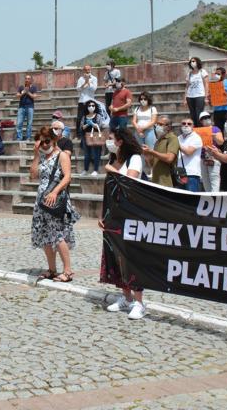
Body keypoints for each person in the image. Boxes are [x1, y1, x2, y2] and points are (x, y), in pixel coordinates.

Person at [101, 127, 147, 320]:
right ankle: (126, 297)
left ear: (120, 141)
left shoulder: (134, 158)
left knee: (130, 257)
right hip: (114, 214)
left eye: (111, 138)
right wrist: (103, 215)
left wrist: (112, 171)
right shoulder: (113, 159)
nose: (108, 141)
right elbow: (108, 190)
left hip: (130, 214)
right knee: (115, 256)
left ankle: (139, 302)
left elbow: (130, 182)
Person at [30, 126, 79, 284]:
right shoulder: (43, 157)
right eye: (41, 142)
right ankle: (52, 269)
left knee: (58, 235)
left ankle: (68, 270)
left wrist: (54, 192)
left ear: (54, 139)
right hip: (42, 202)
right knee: (45, 235)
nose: (44, 144)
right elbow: (33, 175)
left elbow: (67, 178)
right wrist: (36, 154)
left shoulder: (62, 155)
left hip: (56, 200)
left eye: (47, 141)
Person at [141, 116, 180, 188]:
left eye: (161, 124)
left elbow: (169, 158)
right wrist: (147, 154)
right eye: (157, 124)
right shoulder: (157, 141)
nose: (157, 126)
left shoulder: (172, 138)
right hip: (156, 182)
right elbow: (152, 164)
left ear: (168, 127)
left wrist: (151, 151)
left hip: (167, 183)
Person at [196, 112, 224, 193]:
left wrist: (214, 136)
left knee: (214, 179)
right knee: (205, 180)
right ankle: (209, 199)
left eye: (208, 117)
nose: (206, 119)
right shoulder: (199, 131)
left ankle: (215, 199)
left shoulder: (215, 129)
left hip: (213, 157)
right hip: (203, 158)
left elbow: (220, 142)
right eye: (204, 118)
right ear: (201, 121)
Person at [177, 117, 203, 192]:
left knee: (192, 199)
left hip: (192, 173)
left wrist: (176, 143)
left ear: (193, 126)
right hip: (180, 173)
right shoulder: (179, 138)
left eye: (189, 124)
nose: (186, 125)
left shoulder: (196, 137)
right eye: (183, 123)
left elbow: (189, 152)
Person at [183, 57, 210, 123]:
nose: (192, 63)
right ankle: (194, 129)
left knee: (199, 114)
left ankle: (200, 129)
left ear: (197, 62)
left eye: (194, 61)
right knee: (192, 115)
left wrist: (206, 97)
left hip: (200, 95)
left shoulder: (202, 71)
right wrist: (184, 98)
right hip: (190, 96)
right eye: (191, 61)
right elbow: (187, 87)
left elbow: (206, 84)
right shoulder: (189, 74)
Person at [80, 100, 103, 176]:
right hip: (85, 136)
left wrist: (92, 124)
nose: (91, 107)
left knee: (95, 153)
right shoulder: (84, 116)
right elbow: (82, 127)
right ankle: (85, 169)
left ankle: (95, 170)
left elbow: (99, 126)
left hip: (95, 136)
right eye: (89, 105)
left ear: (95, 107)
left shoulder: (98, 116)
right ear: (87, 107)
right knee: (87, 154)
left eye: (93, 105)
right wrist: (87, 124)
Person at [75, 65, 98, 137]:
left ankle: (91, 133)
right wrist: (84, 83)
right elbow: (78, 89)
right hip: (82, 101)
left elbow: (94, 89)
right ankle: (78, 134)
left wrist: (88, 82)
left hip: (90, 101)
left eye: (89, 69)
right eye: (86, 70)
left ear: (90, 70)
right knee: (79, 118)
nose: (87, 71)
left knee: (91, 117)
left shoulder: (94, 78)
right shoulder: (81, 79)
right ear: (83, 70)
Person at [15, 74, 39, 141]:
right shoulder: (21, 87)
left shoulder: (33, 87)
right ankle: (19, 137)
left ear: (31, 80)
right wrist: (23, 92)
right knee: (19, 123)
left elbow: (34, 96)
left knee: (29, 124)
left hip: (30, 107)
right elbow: (17, 95)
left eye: (28, 79)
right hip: (21, 107)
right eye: (26, 78)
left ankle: (28, 137)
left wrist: (28, 92)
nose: (27, 80)